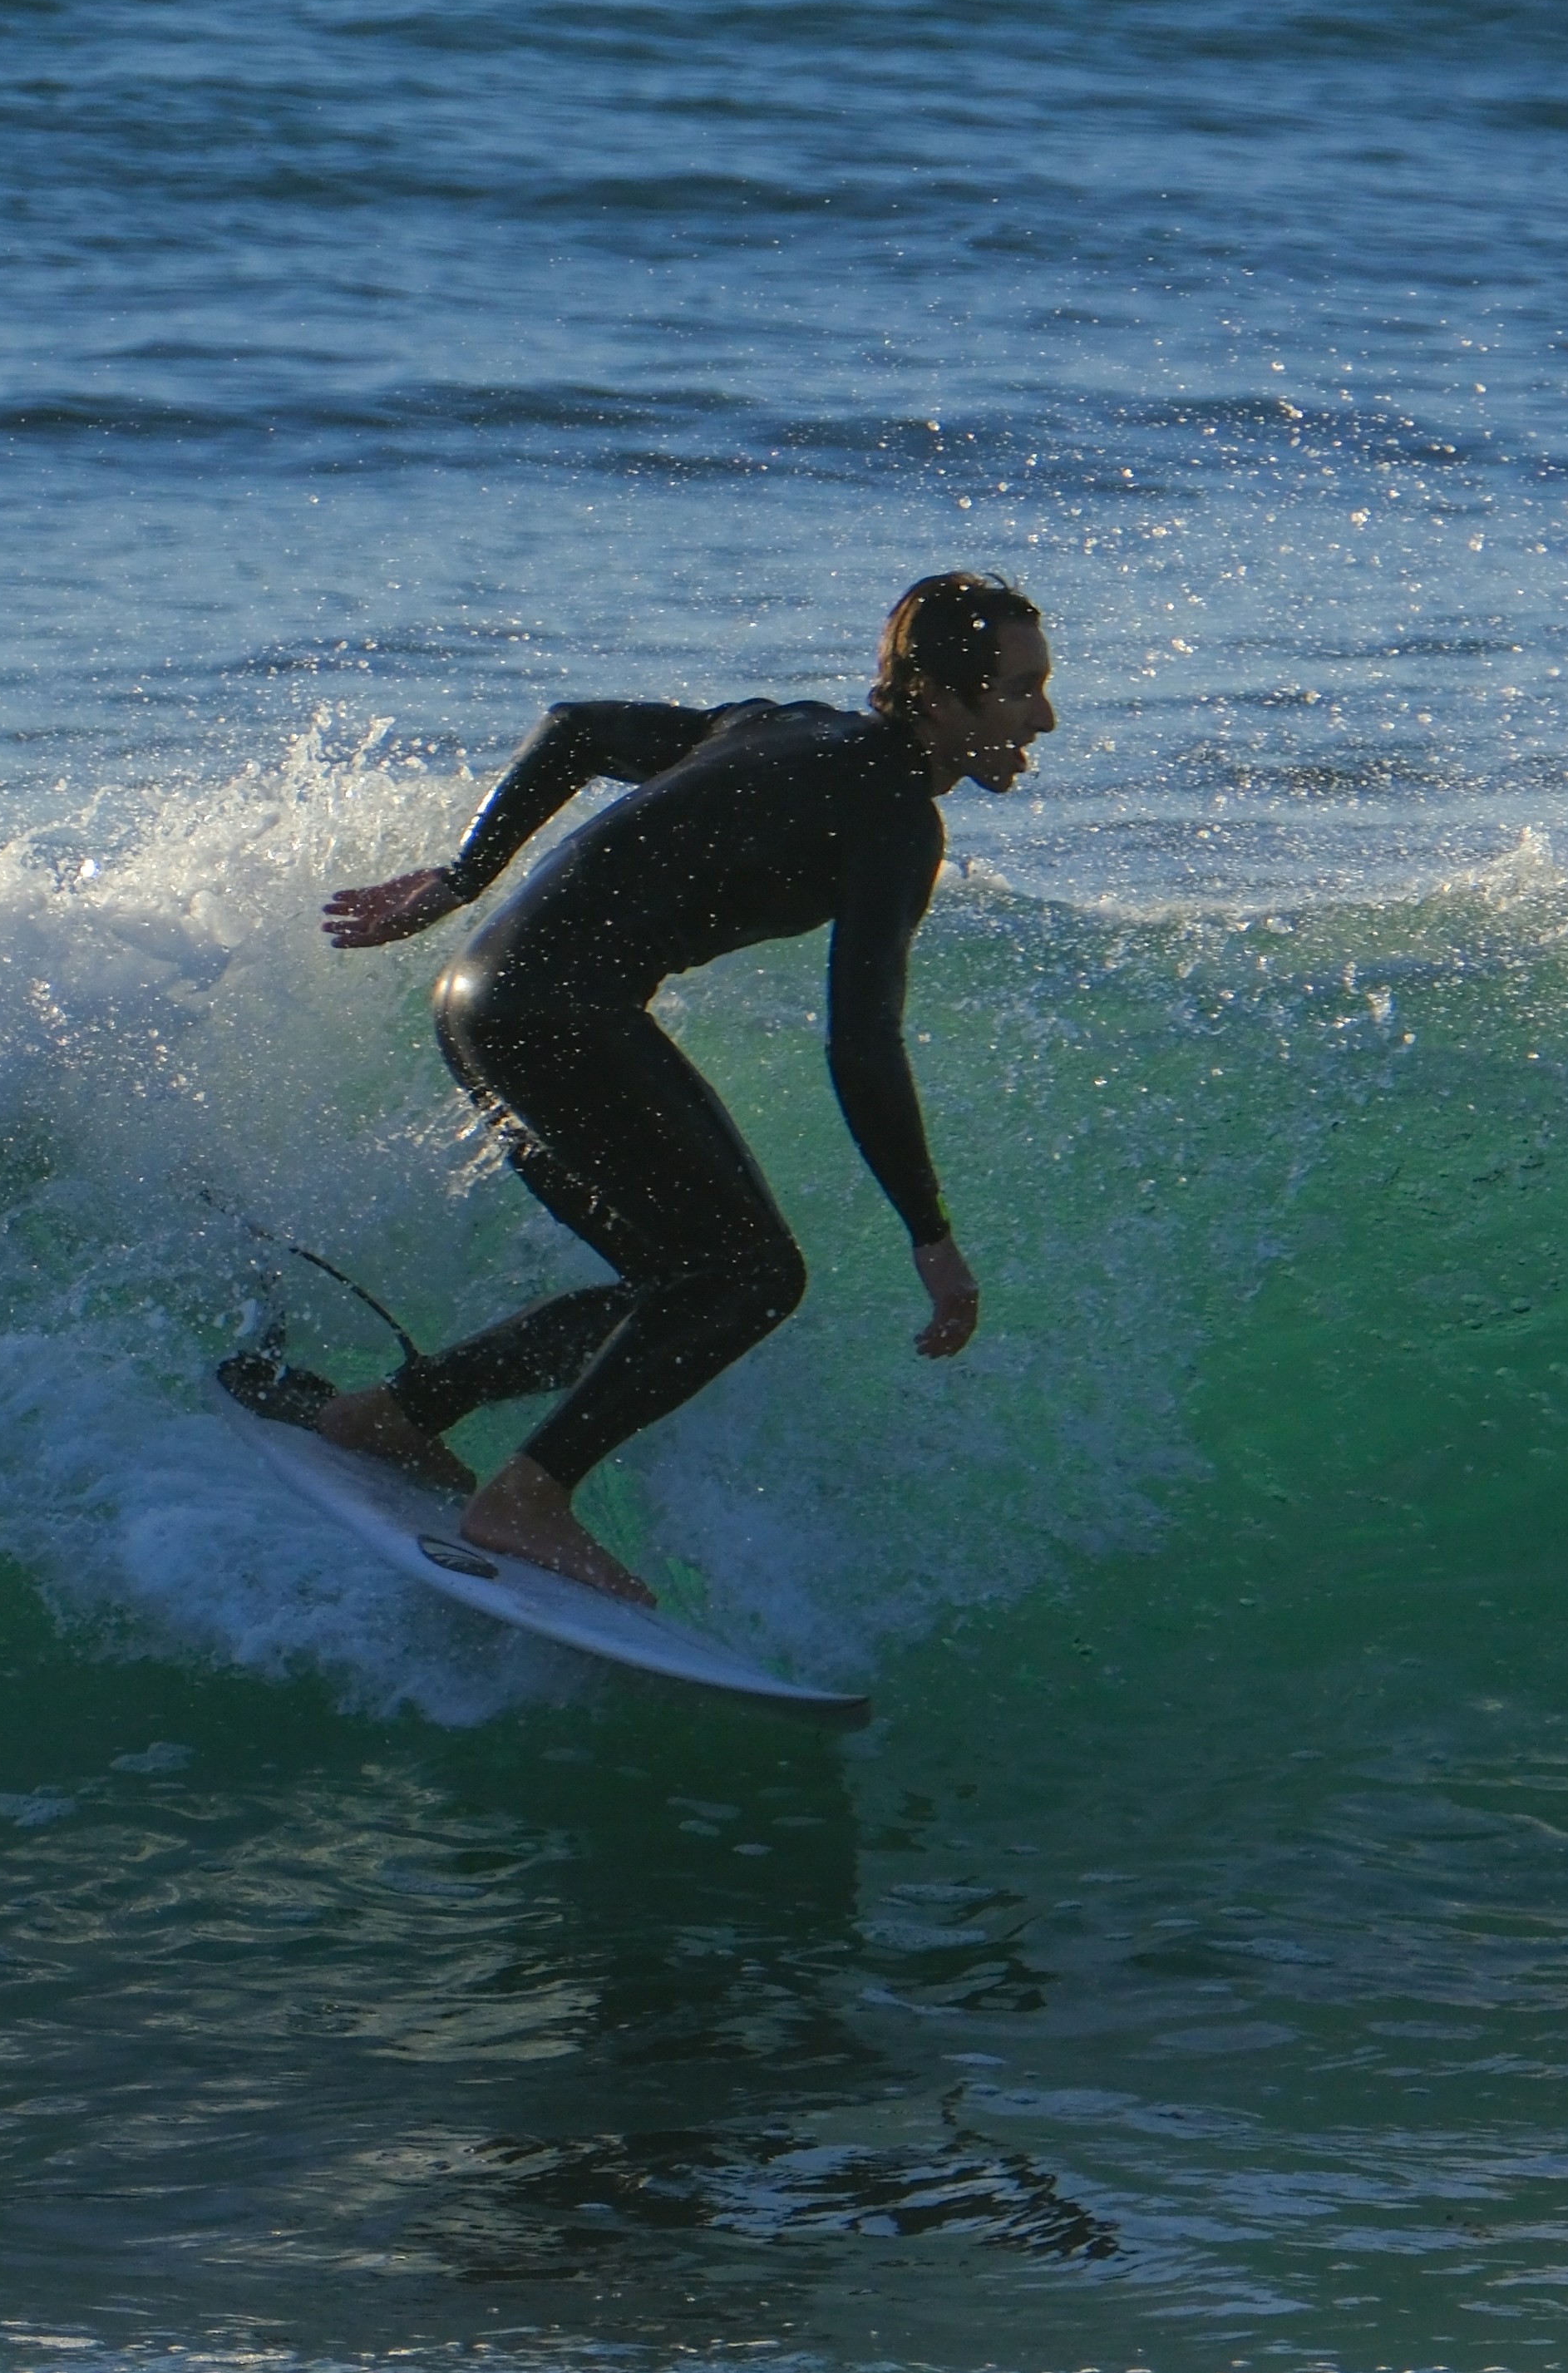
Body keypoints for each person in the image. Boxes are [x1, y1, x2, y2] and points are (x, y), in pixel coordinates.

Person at [244, 571, 1058, 1607]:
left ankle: (392, 1417)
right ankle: (527, 1497)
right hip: (556, 1014)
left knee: (676, 1288)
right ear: (940, 700)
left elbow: (575, 729)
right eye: (1020, 690)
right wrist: (929, 1233)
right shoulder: (895, 819)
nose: (1044, 715)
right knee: (752, 1277)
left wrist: (463, 879)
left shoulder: (778, 726)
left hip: (482, 998)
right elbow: (861, 1043)